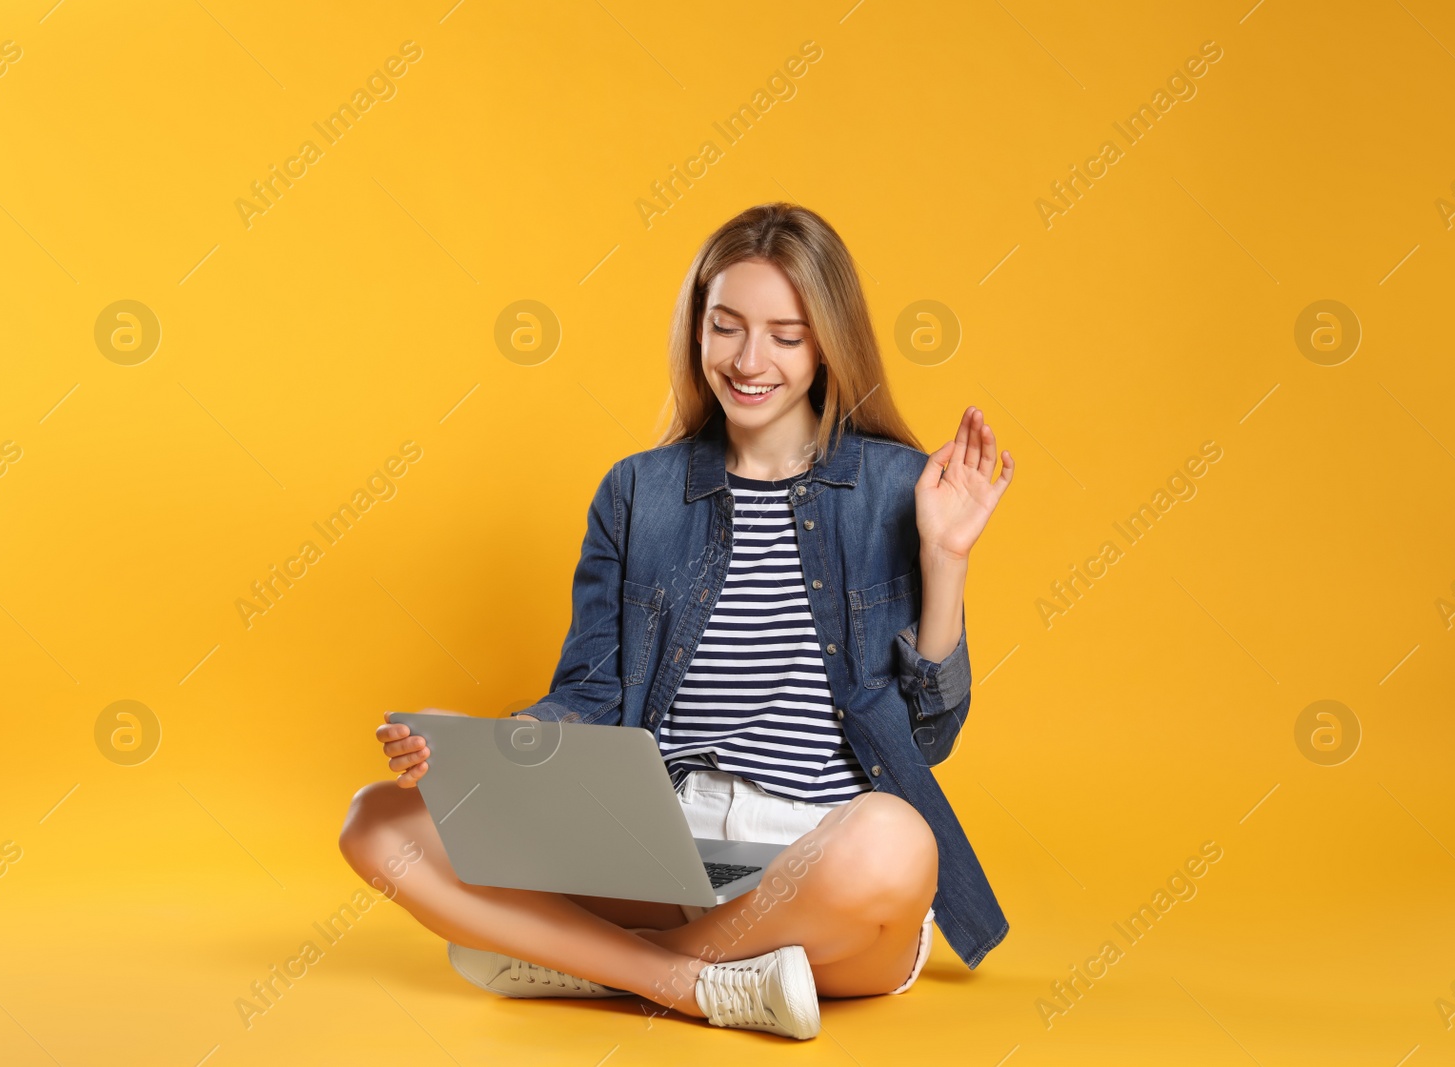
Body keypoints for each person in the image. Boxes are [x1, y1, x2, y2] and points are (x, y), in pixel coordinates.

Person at [339, 202, 1016, 1040]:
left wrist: (946, 558)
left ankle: (587, 964)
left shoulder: (899, 487)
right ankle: (685, 982)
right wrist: (485, 747)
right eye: (725, 325)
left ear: (829, 342)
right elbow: (588, 697)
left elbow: (930, 738)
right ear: (695, 328)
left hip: (824, 862)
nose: (749, 359)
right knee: (377, 819)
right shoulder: (638, 492)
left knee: (897, 840)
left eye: (785, 334)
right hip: (662, 842)